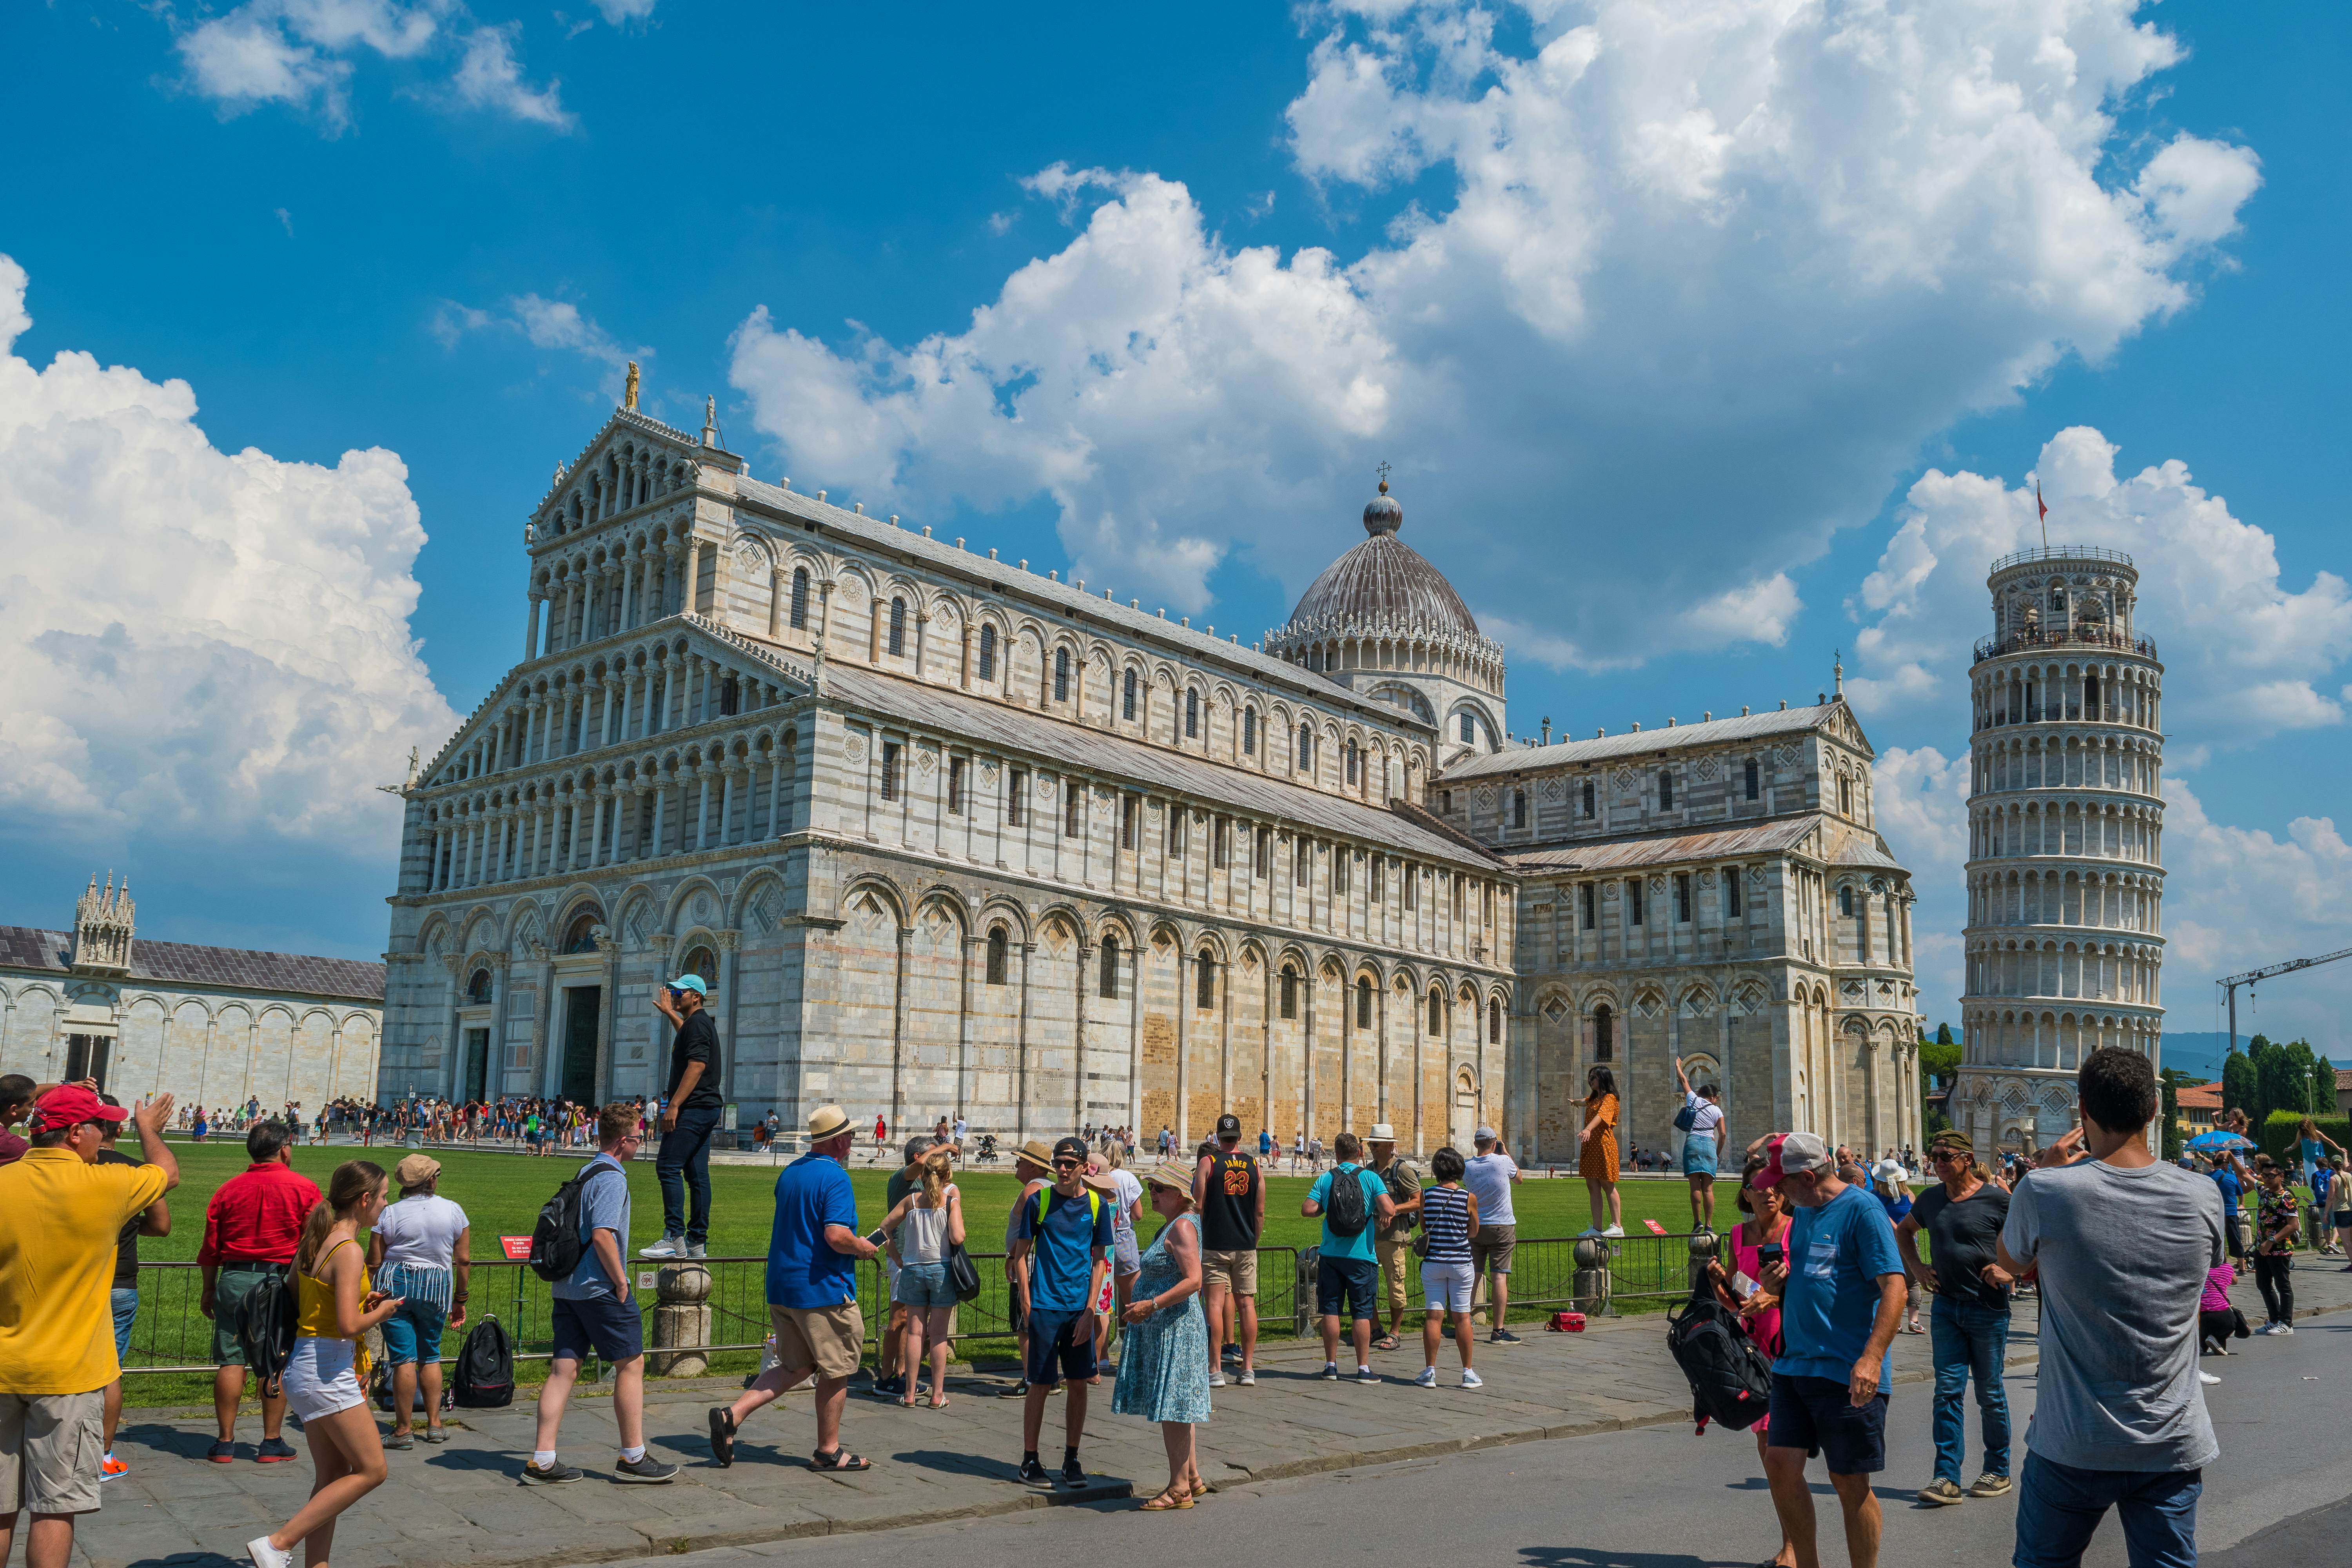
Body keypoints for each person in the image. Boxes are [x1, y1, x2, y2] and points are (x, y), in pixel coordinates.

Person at [1994, 1047, 2221, 1568]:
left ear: (2083, 1112)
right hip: (2171, 1440)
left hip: (2072, 1441)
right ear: (2155, 1109)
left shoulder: (2046, 1190)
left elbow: (2008, 1261)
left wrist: (2042, 1173)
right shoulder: (2203, 1195)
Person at [0, 1087, 176, 1568]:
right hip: (70, 1374)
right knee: (55, 1508)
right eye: (101, 1127)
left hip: (4, 1366)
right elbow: (168, 1173)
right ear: (76, 1134)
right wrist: (148, 1129)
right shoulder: (108, 1183)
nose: (106, 1137)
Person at [1753, 1131, 1906, 1568]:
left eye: (1779, 1181)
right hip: (1794, 1363)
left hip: (1846, 1368)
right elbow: (1813, 1276)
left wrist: (1872, 1357)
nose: (1773, 1190)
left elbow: (1894, 1285)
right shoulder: (1803, 1211)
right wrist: (1775, 1287)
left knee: (1848, 1481)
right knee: (1780, 1465)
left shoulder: (1862, 1209)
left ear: (1805, 1177)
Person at [243, 1161, 403, 1568]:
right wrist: (382, 1312)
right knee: (373, 1470)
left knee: (332, 1477)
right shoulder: (349, 1251)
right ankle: (277, 1543)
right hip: (327, 1371)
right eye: (383, 1197)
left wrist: (358, 1303)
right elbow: (350, 1325)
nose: (385, 1206)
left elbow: (302, 1298)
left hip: (306, 1363)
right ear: (364, 1199)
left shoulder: (318, 1239)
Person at [711, 1105, 882, 1469]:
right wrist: (863, 1247)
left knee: (796, 1366)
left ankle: (732, 1415)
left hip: (783, 1284)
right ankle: (829, 1451)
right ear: (838, 1140)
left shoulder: (791, 1171)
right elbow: (836, 1236)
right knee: (837, 1369)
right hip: (822, 1288)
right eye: (850, 1134)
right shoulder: (835, 1178)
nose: (853, 1138)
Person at [523, 1103, 679, 1485]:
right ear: (624, 1140)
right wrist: (622, 1281)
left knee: (564, 1370)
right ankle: (633, 1455)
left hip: (568, 1287)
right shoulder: (612, 1178)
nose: (642, 1143)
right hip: (599, 1288)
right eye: (640, 1137)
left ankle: (542, 1458)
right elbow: (602, 1234)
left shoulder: (587, 1169)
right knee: (632, 1364)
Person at [1894, 1131, 2014, 1508]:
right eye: (1935, 1156)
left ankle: (1998, 1469)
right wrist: (1917, 1267)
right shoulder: (1930, 1199)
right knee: (1947, 1391)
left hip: (1988, 1308)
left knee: (1990, 1393)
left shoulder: (1997, 1199)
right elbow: (1904, 1232)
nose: (1938, 1162)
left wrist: (2010, 1271)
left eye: (1945, 1156)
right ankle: (1946, 1477)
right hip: (1946, 1308)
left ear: (1966, 1158)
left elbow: (2029, 1242)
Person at [200, 1119, 321, 1464]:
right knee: (275, 1359)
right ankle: (270, 1441)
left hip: (233, 1278)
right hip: (278, 1282)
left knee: (230, 1360)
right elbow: (312, 1245)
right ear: (285, 1148)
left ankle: (224, 1442)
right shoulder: (304, 1188)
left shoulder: (228, 1189)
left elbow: (210, 1248)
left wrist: (209, 1289)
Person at [1706, 1151, 1795, 1568]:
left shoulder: (1798, 1231)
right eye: (1761, 1189)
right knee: (1768, 1450)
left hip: (1791, 1345)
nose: (1770, 1194)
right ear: (1747, 1194)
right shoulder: (1739, 1236)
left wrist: (1774, 1296)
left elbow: (1807, 1290)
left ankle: (1795, 1549)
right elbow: (1738, 1299)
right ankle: (1791, 1545)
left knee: (1780, 1452)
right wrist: (1720, 1282)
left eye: (1776, 1187)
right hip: (1752, 1353)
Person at [1009, 1137, 1113, 1486]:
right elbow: (1021, 1254)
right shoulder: (1040, 1201)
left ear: (1085, 1167)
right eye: (1059, 1163)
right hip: (1045, 1306)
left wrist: (1090, 1310)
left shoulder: (1098, 1206)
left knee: (1079, 1384)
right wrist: (1026, 1299)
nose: (1064, 1169)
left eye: (1071, 1163)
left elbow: (1100, 1262)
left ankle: (1072, 1458)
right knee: (1040, 1383)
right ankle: (1030, 1459)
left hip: (1078, 1310)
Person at [1114, 1162, 1212, 1510]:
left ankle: (1179, 1489)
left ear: (1180, 1195)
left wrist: (1150, 1306)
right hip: (1168, 1328)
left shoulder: (1183, 1227)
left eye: (1159, 1188)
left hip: (1176, 1328)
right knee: (1179, 1405)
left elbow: (1194, 1281)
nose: (1152, 1193)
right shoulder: (1174, 1225)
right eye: (1152, 1187)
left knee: (1174, 1408)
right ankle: (1193, 1477)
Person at [90, 1097, 171, 1483]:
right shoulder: (133, 1170)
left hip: (76, 1282)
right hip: (119, 1282)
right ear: (118, 1129)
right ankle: (101, 1455)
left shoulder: (72, 1166)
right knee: (109, 1372)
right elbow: (161, 1224)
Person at [366, 1154, 470, 1448]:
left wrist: (369, 1292)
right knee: (431, 1354)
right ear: (431, 1180)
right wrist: (460, 1299)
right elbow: (462, 1260)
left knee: (403, 1359)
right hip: (436, 1286)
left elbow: (374, 1261)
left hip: (394, 1283)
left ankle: (403, 1429)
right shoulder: (453, 1210)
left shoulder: (389, 1213)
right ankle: (435, 1425)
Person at [1302, 1132, 1399, 1384]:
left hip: (1331, 1254)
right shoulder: (1370, 1178)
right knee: (1361, 1313)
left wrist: (1328, 1206)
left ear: (1336, 1154)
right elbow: (1389, 1209)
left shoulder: (1326, 1178)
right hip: (1362, 1256)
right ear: (1359, 1153)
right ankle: (1363, 1368)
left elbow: (1308, 1209)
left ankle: (1331, 1365)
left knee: (1331, 1310)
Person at [643, 973, 722, 1260]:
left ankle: (673, 1236)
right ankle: (697, 1242)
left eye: (681, 993)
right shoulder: (697, 1024)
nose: (675, 996)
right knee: (697, 1175)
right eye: (674, 992)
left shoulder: (698, 1025)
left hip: (693, 1108)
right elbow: (688, 1036)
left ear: (696, 997)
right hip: (706, 1107)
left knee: (667, 1166)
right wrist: (670, 1014)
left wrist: (674, 1105)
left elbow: (697, 1065)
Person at [878, 1149, 964, 1409]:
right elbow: (958, 1237)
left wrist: (897, 1255)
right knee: (938, 1335)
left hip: (913, 1269)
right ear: (947, 1175)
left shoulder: (912, 1201)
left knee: (915, 1332)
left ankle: (909, 1393)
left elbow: (883, 1229)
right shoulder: (951, 1201)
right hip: (942, 1269)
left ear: (923, 1176)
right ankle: (938, 1395)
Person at [1397, 1145, 1481, 1388]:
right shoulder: (1468, 1197)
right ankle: (1467, 1372)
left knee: (1434, 1316)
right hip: (1461, 1262)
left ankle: (1430, 1371)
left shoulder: (1427, 1195)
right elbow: (1474, 1231)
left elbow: (1424, 1228)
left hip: (1433, 1262)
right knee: (1462, 1317)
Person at [1192, 1113, 1263, 1388]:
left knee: (1215, 1304)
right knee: (1247, 1305)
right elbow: (1259, 1212)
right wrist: (1252, 1241)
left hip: (1215, 1243)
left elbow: (1198, 1205)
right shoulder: (1255, 1165)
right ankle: (1247, 1368)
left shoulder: (1208, 1163)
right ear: (1240, 1138)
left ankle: (1216, 1369)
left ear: (1217, 1138)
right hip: (1245, 1244)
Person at [873, 1135, 938, 1399]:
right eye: (934, 1155)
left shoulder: (926, 1184)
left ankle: (904, 1375)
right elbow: (883, 1227)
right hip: (902, 1257)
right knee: (899, 1318)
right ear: (918, 1158)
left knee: (916, 1320)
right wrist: (945, 1145)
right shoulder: (901, 1179)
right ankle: (886, 1377)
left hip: (919, 1258)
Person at [996, 1140, 1057, 1399]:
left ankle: (1030, 1379)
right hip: (1047, 1265)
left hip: (1028, 1265)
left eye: (1020, 1161)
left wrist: (1013, 1256)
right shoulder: (1054, 1189)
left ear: (1033, 1167)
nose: (1017, 1165)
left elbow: (1028, 1231)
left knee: (1025, 1323)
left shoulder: (1032, 1191)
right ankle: (1049, 1378)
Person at [1365, 1123, 1421, 1352]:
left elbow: (1419, 1200)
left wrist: (1395, 1210)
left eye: (1376, 1145)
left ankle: (1396, 1332)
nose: (1372, 1148)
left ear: (1390, 1146)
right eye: (1370, 1144)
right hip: (1370, 1236)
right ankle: (1376, 1328)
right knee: (1367, 1285)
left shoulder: (1402, 1170)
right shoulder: (1369, 1170)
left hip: (1395, 1237)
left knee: (1395, 1286)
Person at [1464, 1127, 1521, 1343]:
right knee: (1499, 1276)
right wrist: (1505, 1153)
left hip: (1476, 1226)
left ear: (1476, 1144)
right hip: (1502, 1226)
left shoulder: (1467, 1166)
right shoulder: (1504, 1162)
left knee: (1473, 1274)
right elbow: (1520, 1180)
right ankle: (1498, 1330)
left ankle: (1464, 1320)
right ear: (1494, 1143)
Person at [1096, 1143, 1145, 1363]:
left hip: (1101, 1242)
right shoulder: (1128, 1178)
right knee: (1133, 1301)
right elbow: (1138, 1215)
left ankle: (1102, 1357)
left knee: (1103, 1302)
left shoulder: (1097, 1178)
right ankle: (1137, 1353)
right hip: (1125, 1238)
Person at [1673, 1056, 1728, 1232]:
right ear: (1712, 1097)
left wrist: (1678, 1067)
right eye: (1716, 1097)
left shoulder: (1693, 1100)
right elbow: (1723, 1134)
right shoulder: (1717, 1110)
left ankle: (1697, 1222)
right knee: (1708, 1189)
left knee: (1695, 1187)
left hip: (1693, 1142)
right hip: (1709, 1144)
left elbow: (1683, 1080)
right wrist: (1718, 1152)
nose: (1717, 1100)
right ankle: (1710, 1225)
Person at [1870, 1161, 1924, 1334]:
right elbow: (1917, 1217)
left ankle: (1895, 1321)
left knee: (1888, 1282)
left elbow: (1880, 1218)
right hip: (1908, 1242)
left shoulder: (1874, 1196)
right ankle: (1914, 1321)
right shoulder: (1909, 1194)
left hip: (1885, 1244)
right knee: (1913, 1282)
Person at [2250, 1157, 2299, 1335]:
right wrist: (2232, 1156)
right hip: (2261, 1248)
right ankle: (2274, 1319)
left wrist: (2272, 1240)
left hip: (2279, 1249)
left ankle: (2287, 1323)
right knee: (2263, 1285)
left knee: (2283, 1286)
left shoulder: (2287, 1197)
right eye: (2264, 1175)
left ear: (2280, 1177)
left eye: (2271, 1176)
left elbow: (2293, 1225)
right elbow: (2243, 1175)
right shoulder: (2263, 1191)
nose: (2266, 1179)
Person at [1576, 1066, 1624, 1237]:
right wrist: (1575, 1102)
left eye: (1594, 1078)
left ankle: (1617, 1226)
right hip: (1591, 1146)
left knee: (1607, 1185)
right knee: (1592, 1185)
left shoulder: (1610, 1098)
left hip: (1604, 1145)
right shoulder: (1594, 1099)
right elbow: (1585, 1101)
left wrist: (1588, 1128)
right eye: (1590, 1077)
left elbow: (1602, 1116)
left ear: (1603, 1079)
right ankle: (1597, 1229)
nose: (1591, 1080)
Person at [0, 1074, 35, 1165]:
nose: (34, 1106)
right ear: (14, 1110)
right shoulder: (12, 1145)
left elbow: (22, 1092)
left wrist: (70, 1084)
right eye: (31, 1104)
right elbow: (43, 1160)